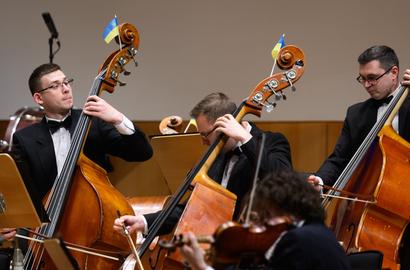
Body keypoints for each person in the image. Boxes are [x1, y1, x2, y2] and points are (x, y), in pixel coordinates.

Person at [308, 45, 410, 270]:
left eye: (372, 78)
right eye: (362, 78)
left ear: (394, 73)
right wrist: (321, 180)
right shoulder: (356, 113)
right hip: (369, 198)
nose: (367, 85)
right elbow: (340, 157)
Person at [0, 63, 153, 244]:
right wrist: (9, 221)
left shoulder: (93, 123)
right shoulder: (25, 139)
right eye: (55, 86)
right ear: (39, 98)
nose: (65, 89)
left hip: (92, 228)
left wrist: (119, 119)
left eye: (66, 82)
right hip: (46, 235)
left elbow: (142, 153)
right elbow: (17, 192)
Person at [114, 92, 292, 235]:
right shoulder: (214, 157)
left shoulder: (271, 142)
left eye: (205, 135)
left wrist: (245, 139)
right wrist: (144, 221)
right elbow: (192, 209)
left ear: (225, 124)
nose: (203, 142)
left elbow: (283, 181)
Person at [179, 170, 351, 270]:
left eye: (265, 216)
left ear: (288, 211)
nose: (260, 227)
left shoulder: (300, 240)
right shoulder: (316, 233)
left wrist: (202, 266)